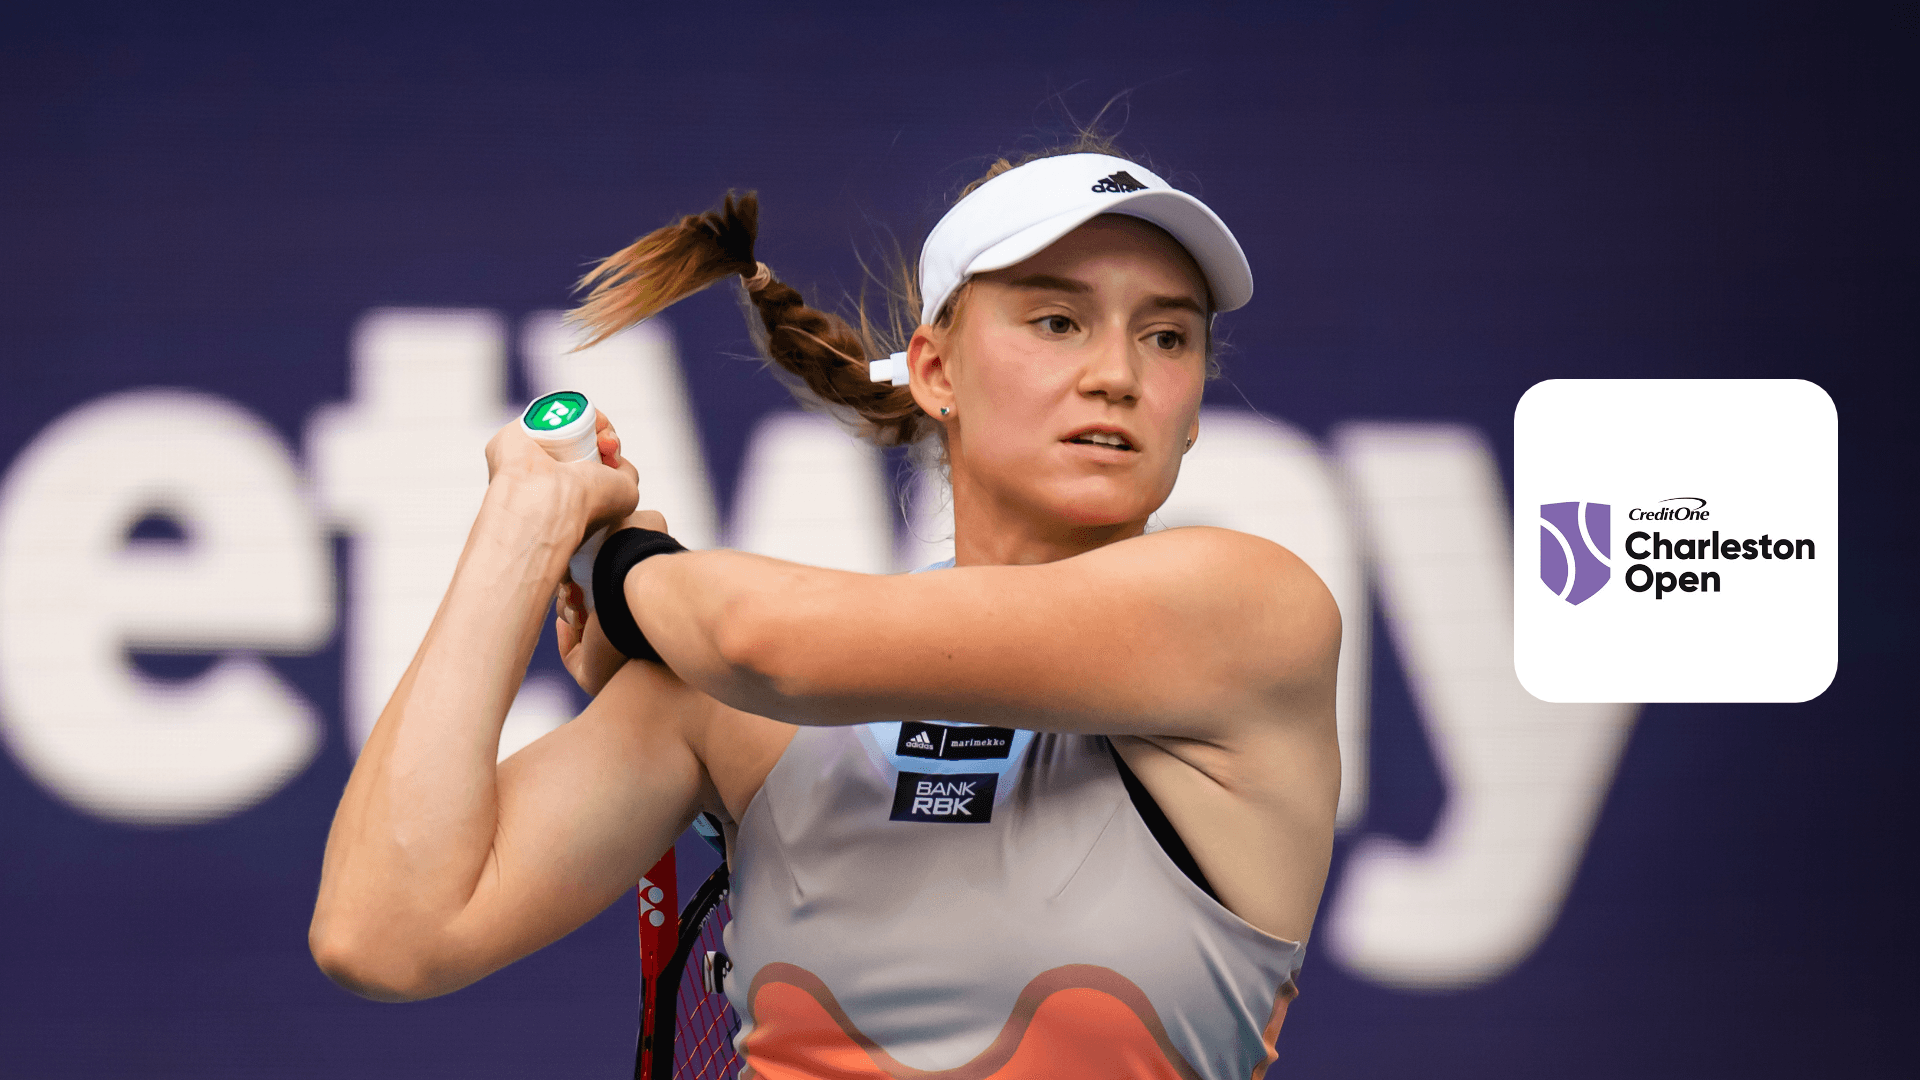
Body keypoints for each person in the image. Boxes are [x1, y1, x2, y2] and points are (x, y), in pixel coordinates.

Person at [310, 140, 1341, 1078]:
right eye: (1057, 322)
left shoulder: (1250, 613)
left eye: (1167, 337)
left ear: (1192, 411)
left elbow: (765, 640)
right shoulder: (723, 697)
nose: (1118, 374)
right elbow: (383, 934)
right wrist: (524, 525)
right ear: (936, 370)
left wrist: (620, 570)